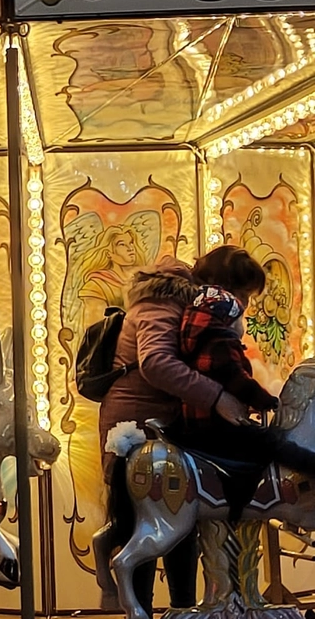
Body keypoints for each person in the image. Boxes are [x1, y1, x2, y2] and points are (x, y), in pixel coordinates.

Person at [97, 246, 267, 616]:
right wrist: (218, 397)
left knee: (184, 517)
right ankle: (137, 609)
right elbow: (156, 363)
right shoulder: (162, 299)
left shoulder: (191, 304)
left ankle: (183, 608)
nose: (242, 304)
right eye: (241, 295)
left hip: (172, 419)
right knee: (142, 523)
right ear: (221, 285)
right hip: (138, 422)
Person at [176, 285, 315, 513]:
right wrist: (265, 400)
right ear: (227, 321)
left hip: (199, 424)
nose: (243, 327)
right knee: (272, 442)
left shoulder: (198, 344)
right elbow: (234, 378)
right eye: (240, 320)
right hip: (216, 426)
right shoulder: (221, 344)